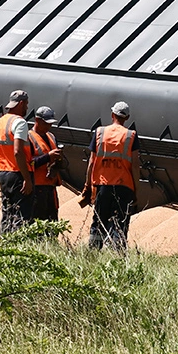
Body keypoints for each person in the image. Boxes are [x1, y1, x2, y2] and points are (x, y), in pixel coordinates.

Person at [79, 101, 140, 251]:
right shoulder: (131, 136)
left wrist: (87, 186)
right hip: (124, 186)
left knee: (98, 221)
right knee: (121, 223)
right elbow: (135, 166)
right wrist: (136, 190)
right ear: (127, 118)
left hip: (103, 185)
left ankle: (93, 252)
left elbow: (91, 162)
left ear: (112, 115)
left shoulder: (100, 132)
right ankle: (118, 254)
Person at [0, 89, 34, 235]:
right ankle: (17, 248)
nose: (27, 108)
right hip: (18, 173)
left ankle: (4, 244)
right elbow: (18, 151)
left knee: (7, 212)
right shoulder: (20, 122)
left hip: (2, 173)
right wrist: (27, 179)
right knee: (22, 215)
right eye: (26, 104)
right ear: (21, 103)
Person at [28, 106, 64, 224]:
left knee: (52, 222)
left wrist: (58, 161)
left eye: (51, 124)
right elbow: (28, 163)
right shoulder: (29, 137)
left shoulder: (51, 136)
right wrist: (48, 157)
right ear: (37, 120)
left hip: (50, 187)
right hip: (36, 188)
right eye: (46, 123)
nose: (49, 126)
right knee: (37, 223)